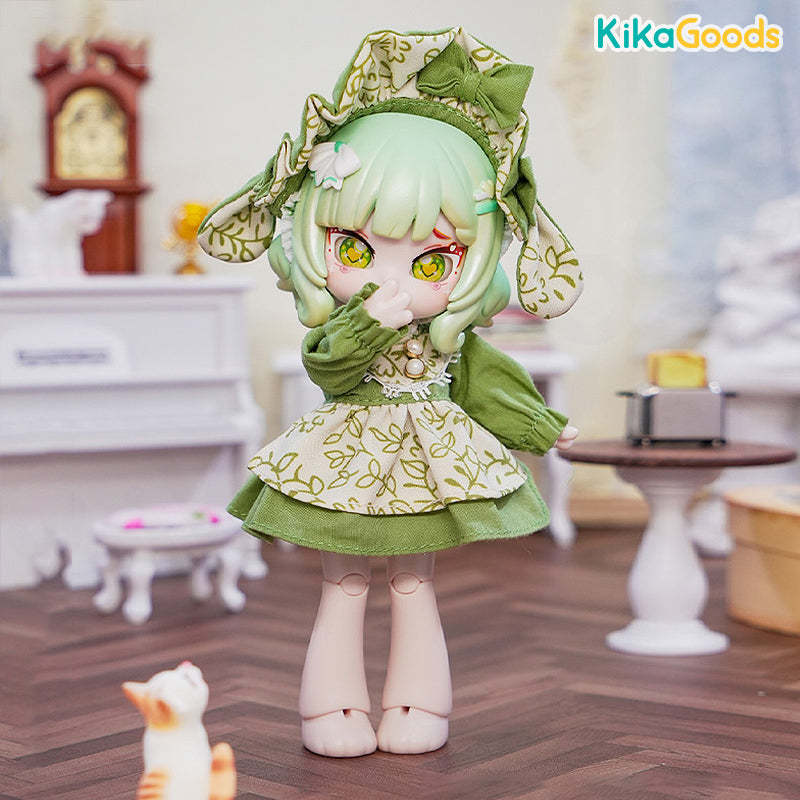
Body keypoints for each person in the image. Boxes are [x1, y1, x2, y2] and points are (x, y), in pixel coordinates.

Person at [198, 27, 582, 757]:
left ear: (474, 263)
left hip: (427, 463)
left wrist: (538, 424)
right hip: (346, 455)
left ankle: (419, 705)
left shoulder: (448, 338)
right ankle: (330, 710)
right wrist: (369, 323)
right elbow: (328, 366)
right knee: (342, 583)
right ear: (313, 237)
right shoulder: (346, 324)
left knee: (414, 583)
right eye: (354, 248)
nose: (391, 278)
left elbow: (482, 381)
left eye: (433, 261)